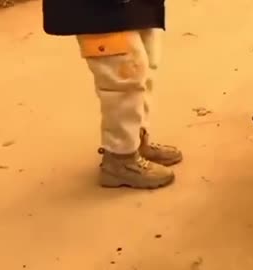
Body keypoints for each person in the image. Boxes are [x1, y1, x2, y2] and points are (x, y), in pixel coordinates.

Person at [42, 0, 182, 189]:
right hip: (97, 8)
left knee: (145, 64)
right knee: (122, 76)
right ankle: (120, 158)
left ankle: (136, 141)